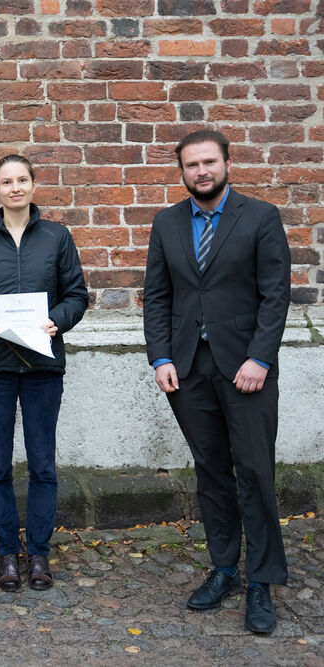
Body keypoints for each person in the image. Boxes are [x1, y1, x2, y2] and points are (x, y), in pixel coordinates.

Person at [143, 129, 291, 634]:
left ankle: (261, 581)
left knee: (254, 471)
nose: (201, 171)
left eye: (209, 162)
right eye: (191, 165)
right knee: (211, 471)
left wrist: (260, 359)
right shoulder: (166, 223)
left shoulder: (261, 217)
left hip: (245, 369)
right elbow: (157, 296)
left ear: (227, 162)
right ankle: (225, 567)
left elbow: (276, 297)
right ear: (182, 172)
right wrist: (160, 356)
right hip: (187, 370)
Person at [0, 154, 88, 592]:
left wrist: (58, 320)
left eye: (22, 180)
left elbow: (77, 294)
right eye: (6, 181)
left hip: (43, 365)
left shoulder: (57, 237)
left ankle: (40, 555)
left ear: (33, 186)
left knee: (43, 463)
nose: (15, 188)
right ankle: (8, 552)